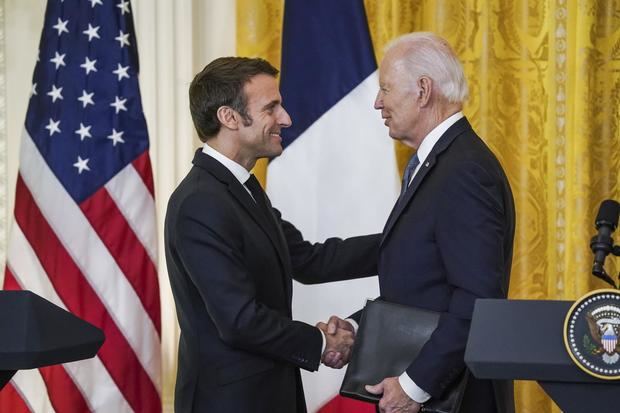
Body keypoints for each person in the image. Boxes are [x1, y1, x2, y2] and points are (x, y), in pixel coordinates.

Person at [164, 56, 381, 413]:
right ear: (229, 117)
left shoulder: (240, 189)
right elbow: (239, 320)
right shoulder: (200, 202)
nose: (286, 119)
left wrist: (402, 241)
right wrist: (320, 342)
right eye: (272, 108)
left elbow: (309, 260)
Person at [324, 32, 516, 413]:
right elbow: (424, 288)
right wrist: (359, 330)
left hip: (456, 398)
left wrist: (415, 386)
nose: (378, 102)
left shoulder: (463, 170)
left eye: (386, 89)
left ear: (423, 90)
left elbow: (476, 298)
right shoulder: (440, 163)